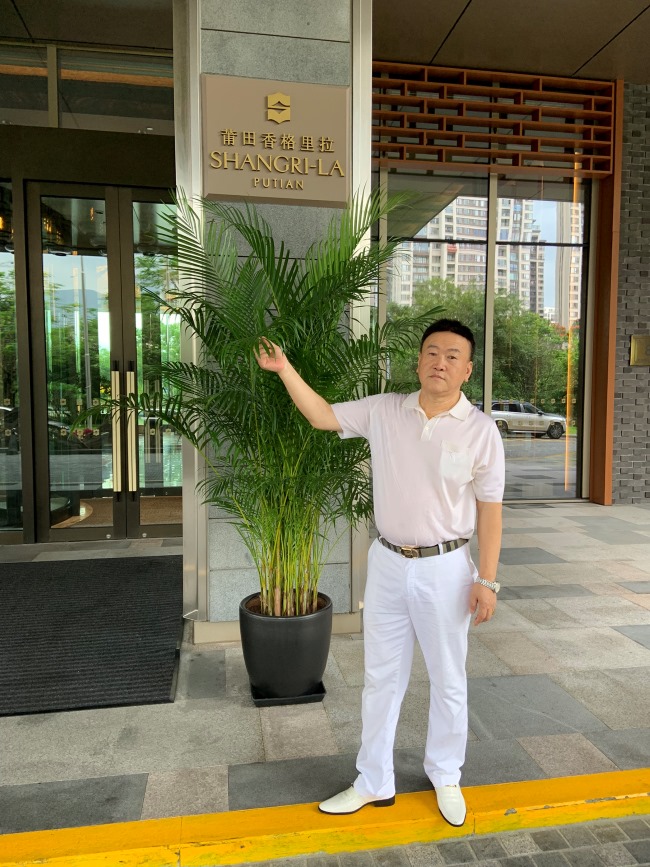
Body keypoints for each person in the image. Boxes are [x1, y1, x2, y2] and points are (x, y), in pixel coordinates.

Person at [255, 318, 505, 827]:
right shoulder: (386, 410)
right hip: (389, 562)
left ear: (467, 370)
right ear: (418, 360)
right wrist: (284, 369)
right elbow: (323, 416)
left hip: (446, 568)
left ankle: (446, 774)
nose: (439, 362)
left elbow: (490, 511)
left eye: (452, 356)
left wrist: (487, 579)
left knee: (448, 678)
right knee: (381, 679)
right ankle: (373, 780)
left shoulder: (480, 431)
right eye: (431, 352)